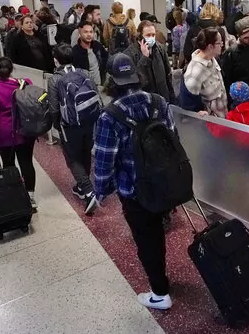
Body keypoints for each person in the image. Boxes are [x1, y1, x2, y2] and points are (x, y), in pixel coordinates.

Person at [94, 53, 175, 310]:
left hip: (133, 190)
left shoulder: (109, 116)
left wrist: (101, 190)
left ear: (111, 80)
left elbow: (105, 159)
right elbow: (173, 140)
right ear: (136, 77)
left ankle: (160, 293)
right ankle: (161, 278)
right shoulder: (159, 102)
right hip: (163, 184)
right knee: (157, 232)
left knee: (145, 239)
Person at [48, 44, 99, 214]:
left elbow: (54, 107)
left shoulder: (54, 79)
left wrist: (56, 124)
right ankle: (80, 186)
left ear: (56, 60)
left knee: (72, 157)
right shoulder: (84, 72)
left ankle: (88, 191)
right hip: (89, 119)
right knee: (85, 151)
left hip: (69, 125)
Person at [0, 57, 38, 210]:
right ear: (12, 69)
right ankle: (31, 198)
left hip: (5, 135)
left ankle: (15, 198)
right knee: (27, 163)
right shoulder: (26, 82)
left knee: (9, 166)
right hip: (26, 131)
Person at [124, 21, 175, 103]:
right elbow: (136, 80)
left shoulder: (159, 49)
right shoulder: (130, 54)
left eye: (153, 35)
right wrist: (145, 58)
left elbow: (168, 75)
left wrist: (171, 98)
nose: (151, 38)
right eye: (148, 35)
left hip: (163, 98)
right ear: (140, 35)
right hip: (145, 101)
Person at [183, 27, 227, 117]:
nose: (222, 45)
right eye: (219, 43)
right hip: (210, 123)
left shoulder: (213, 59)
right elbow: (188, 105)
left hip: (223, 117)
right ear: (210, 46)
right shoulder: (195, 72)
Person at [72, 21, 108, 86]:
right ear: (80, 34)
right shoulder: (75, 51)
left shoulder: (98, 46)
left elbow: (105, 59)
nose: (89, 34)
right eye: (86, 32)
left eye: (91, 32)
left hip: (100, 85)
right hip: (84, 86)